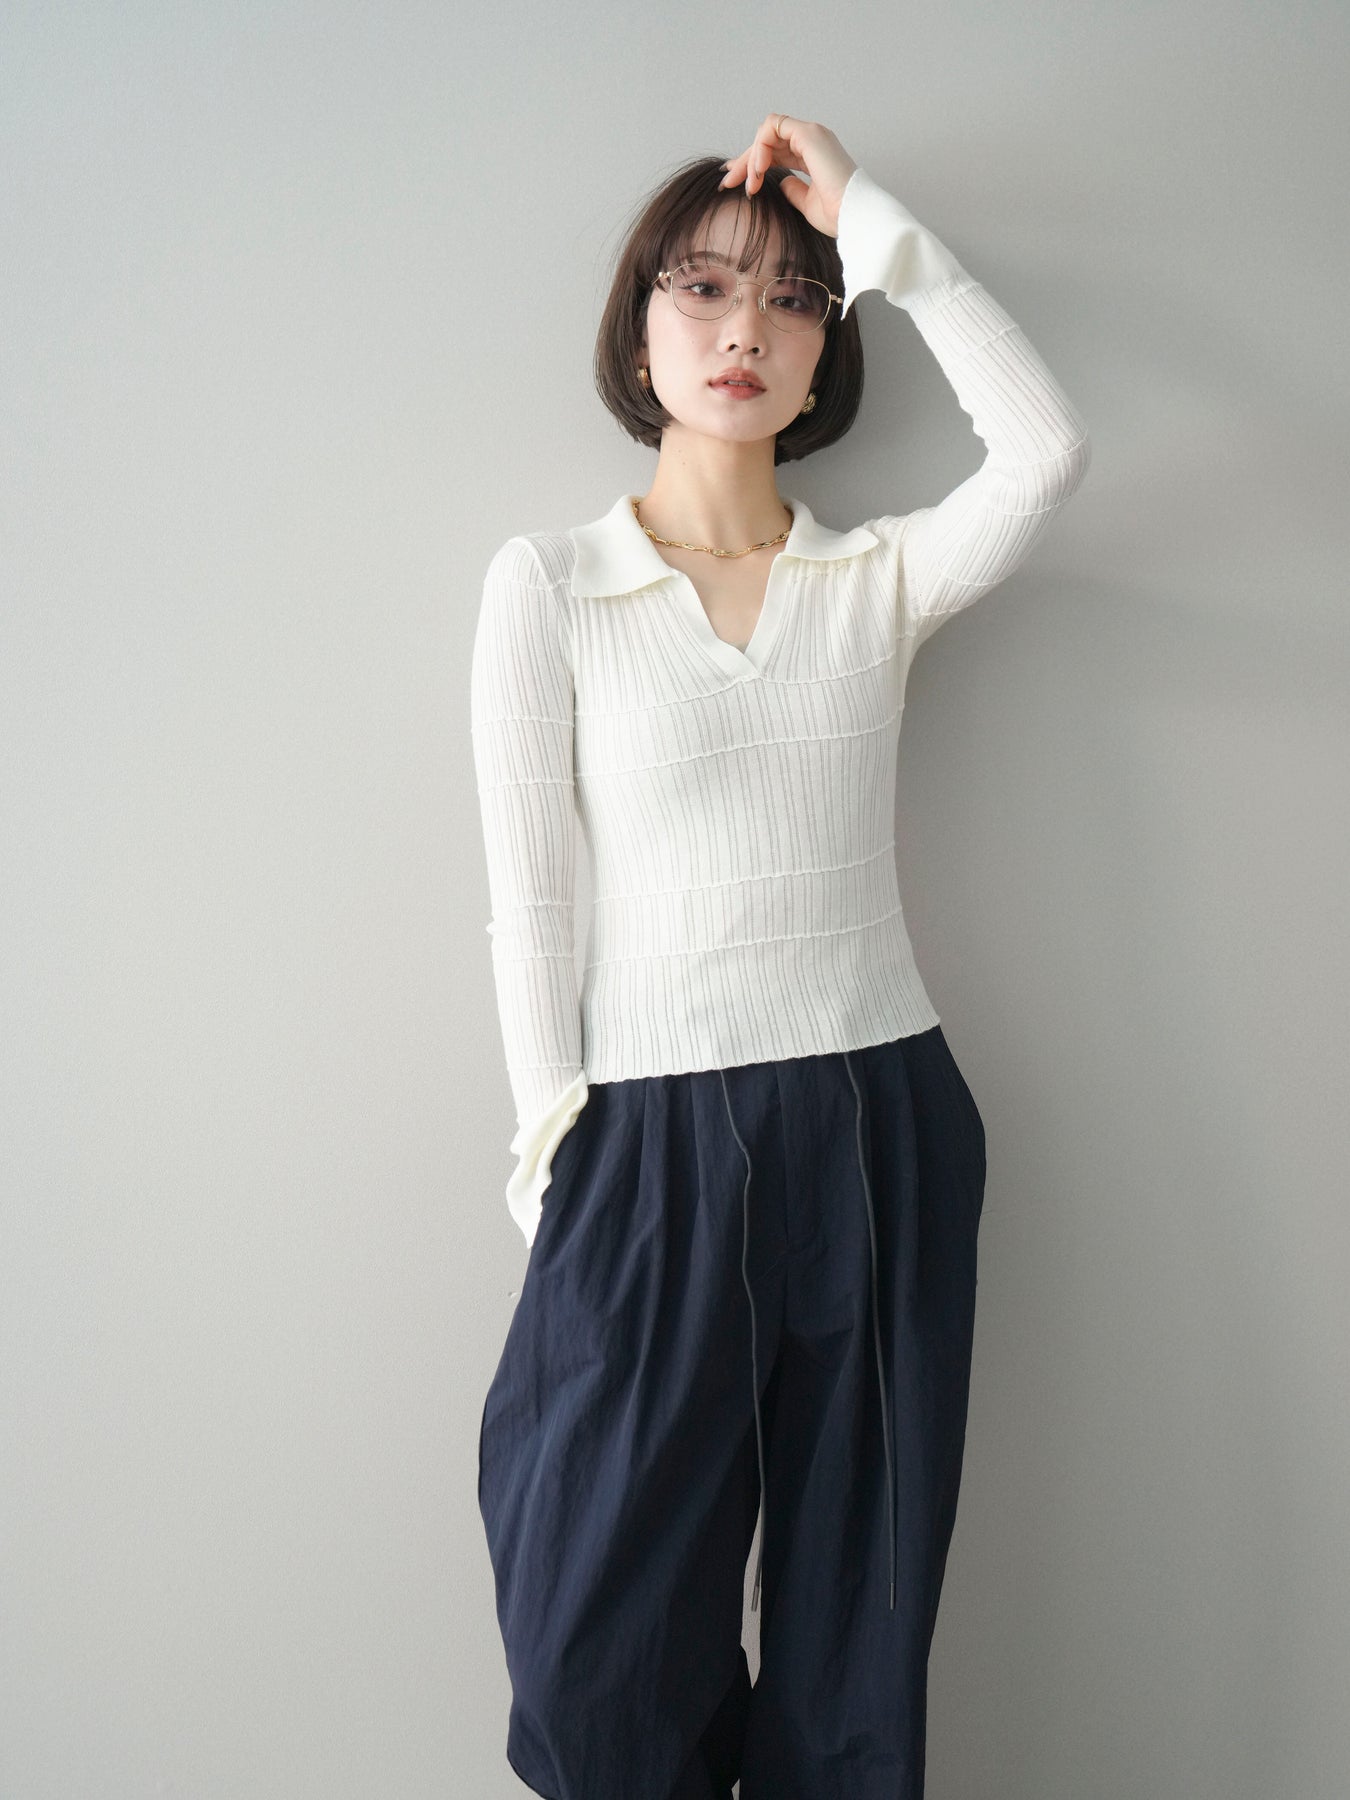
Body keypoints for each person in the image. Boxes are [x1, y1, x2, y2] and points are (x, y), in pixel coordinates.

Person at [470, 112, 1091, 1800]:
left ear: (828, 350)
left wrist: (875, 221)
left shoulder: (873, 583)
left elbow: (1042, 454)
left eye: (793, 297)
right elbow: (532, 904)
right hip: (643, 1141)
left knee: (852, 1650)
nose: (744, 327)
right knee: (595, 1654)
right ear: (639, 329)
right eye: (702, 286)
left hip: (876, 1116)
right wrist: (557, 1176)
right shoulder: (552, 585)